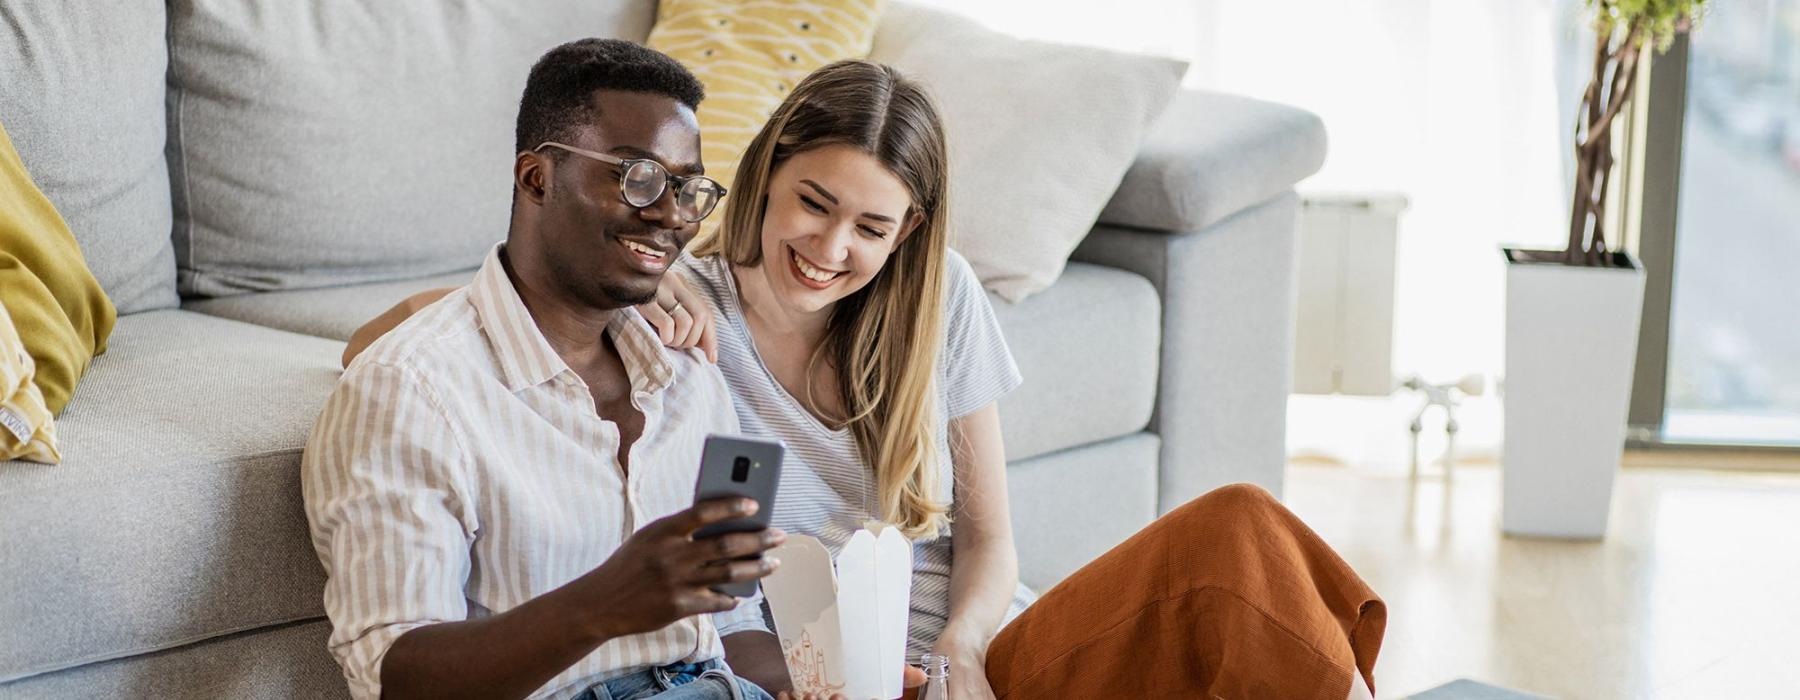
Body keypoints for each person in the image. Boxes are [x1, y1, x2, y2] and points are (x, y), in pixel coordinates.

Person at [346, 59, 1386, 700]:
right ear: (767, 170)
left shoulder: (944, 302)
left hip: (987, 657)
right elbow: (405, 337)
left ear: (909, 233)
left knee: (1243, 541)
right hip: (833, 673)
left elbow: (989, 540)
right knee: (1233, 577)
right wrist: (655, 294)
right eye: (813, 202)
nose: (831, 247)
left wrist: (969, 653)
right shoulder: (677, 302)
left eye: (871, 227)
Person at [304, 38, 797, 700]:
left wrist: (817, 680)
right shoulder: (409, 389)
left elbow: (734, 617)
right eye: (638, 177)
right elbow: (395, 674)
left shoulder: (691, 373)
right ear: (537, 178)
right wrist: (600, 605)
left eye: (687, 188)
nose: (673, 216)